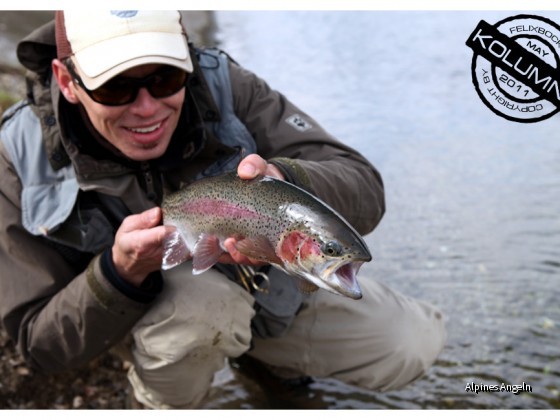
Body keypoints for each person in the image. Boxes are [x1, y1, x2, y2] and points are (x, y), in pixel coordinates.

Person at [0, 10, 446, 409]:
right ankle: (160, 401)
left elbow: (363, 184)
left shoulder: (226, 83)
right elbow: (38, 345)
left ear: (186, 59)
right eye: (116, 87)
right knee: (202, 310)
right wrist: (118, 272)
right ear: (66, 81)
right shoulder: (14, 156)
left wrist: (290, 184)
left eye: (164, 78)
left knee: (409, 341)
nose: (147, 107)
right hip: (148, 315)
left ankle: (269, 365)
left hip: (264, 289)